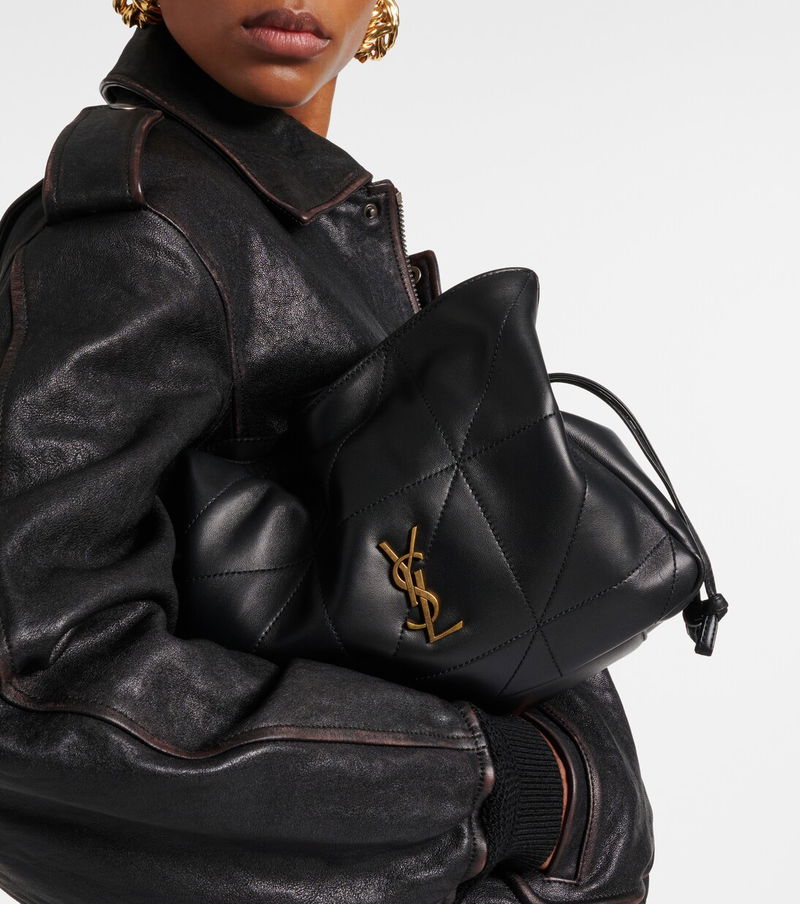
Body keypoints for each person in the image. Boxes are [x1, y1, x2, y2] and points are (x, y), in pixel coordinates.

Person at [0, 2, 655, 902]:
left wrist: (563, 792)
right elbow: (37, 677)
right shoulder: (135, 231)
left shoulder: (287, 217)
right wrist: (497, 786)